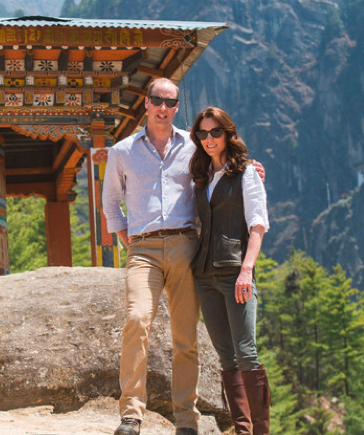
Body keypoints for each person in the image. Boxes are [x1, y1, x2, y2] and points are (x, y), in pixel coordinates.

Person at [102, 79, 265, 435]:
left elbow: (225, 164)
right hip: (142, 249)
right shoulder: (123, 151)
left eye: (170, 102)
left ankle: (187, 421)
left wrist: (252, 168)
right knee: (137, 319)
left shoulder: (192, 147)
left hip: (187, 247)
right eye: (157, 100)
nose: (163, 107)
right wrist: (130, 239)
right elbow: (110, 203)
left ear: (177, 107)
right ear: (145, 103)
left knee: (185, 337)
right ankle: (131, 414)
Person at [188, 107, 271, 434]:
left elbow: (257, 224)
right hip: (204, 275)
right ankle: (242, 429)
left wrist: (247, 270)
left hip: (236, 273)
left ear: (227, 134)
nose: (209, 139)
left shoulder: (247, 172)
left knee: (246, 352)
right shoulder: (200, 174)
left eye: (215, 132)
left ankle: (261, 431)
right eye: (203, 134)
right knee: (226, 356)